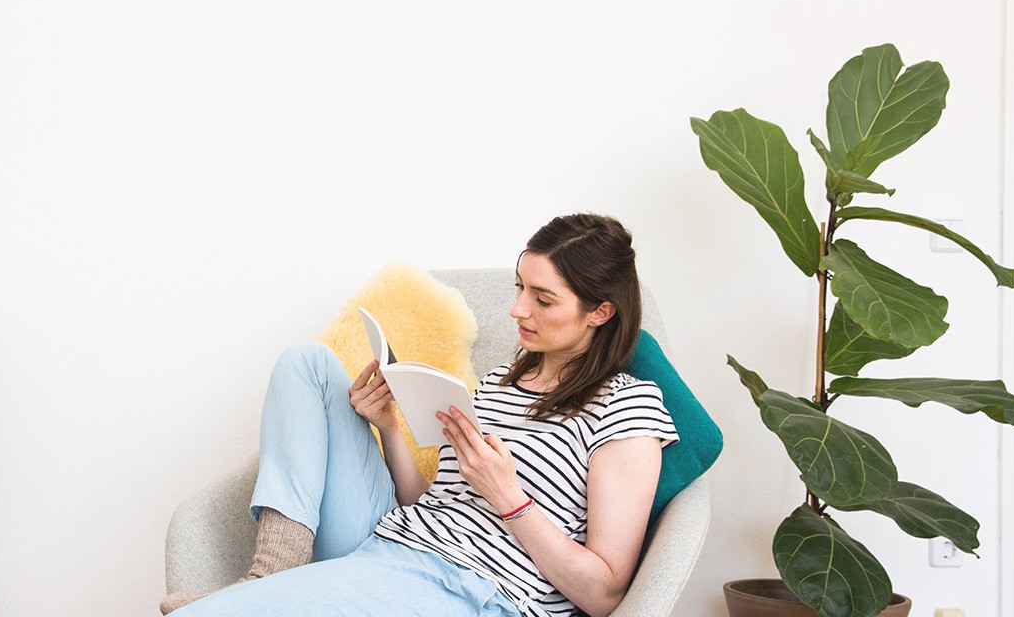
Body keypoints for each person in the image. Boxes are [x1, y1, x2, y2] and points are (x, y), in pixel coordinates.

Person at [160, 214, 678, 617]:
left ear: (601, 312)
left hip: (473, 587)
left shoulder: (627, 407)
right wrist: (387, 424)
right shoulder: (500, 380)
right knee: (308, 364)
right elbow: (434, 504)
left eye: (543, 299)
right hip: (388, 540)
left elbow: (604, 594)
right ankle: (272, 572)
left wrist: (509, 498)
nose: (519, 310)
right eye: (520, 288)